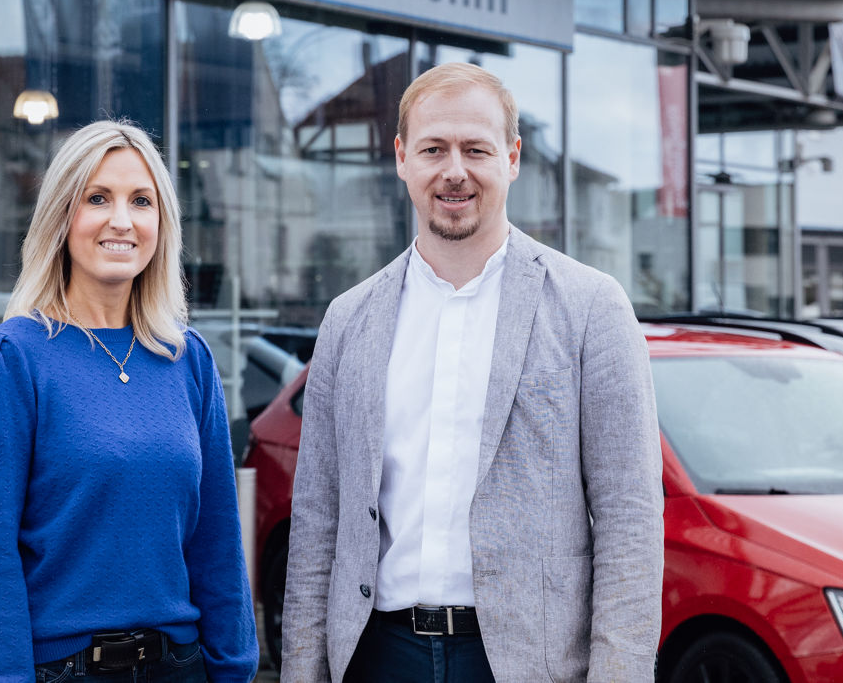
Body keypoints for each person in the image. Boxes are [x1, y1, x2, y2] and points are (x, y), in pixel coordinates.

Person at [281, 63, 662, 683]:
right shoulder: (348, 320)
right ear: (402, 158)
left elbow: (630, 519)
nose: (454, 170)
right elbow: (317, 520)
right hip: (376, 656)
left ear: (511, 158)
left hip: (528, 664)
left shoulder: (591, 308)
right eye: (433, 149)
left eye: (475, 149)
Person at [0, 121, 258, 683]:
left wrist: (233, 668)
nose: (122, 220)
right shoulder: (12, 359)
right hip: (62, 670)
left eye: (141, 201)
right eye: (97, 198)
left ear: (162, 223)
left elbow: (217, 541)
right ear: (62, 216)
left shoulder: (188, 359)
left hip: (180, 667)